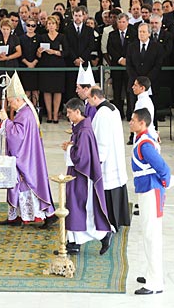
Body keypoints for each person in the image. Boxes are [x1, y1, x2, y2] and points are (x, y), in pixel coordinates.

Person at [0, 72, 57, 228]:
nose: (9, 105)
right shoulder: (24, 113)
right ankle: (16, 216)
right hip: (28, 155)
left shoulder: (25, 114)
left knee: (26, 184)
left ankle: (45, 215)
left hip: (26, 157)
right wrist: (8, 124)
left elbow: (18, 137)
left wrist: (6, 122)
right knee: (17, 184)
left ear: (18, 99)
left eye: (10, 102)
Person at [61, 98, 113, 255]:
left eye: (70, 113)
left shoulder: (83, 131)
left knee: (78, 207)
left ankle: (103, 235)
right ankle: (74, 243)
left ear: (78, 111)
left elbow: (81, 158)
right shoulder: (80, 127)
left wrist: (69, 148)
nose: (68, 115)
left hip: (82, 175)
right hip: (77, 174)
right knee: (75, 207)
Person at [129, 107, 171, 295]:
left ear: (142, 123)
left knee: (151, 235)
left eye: (133, 119)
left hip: (151, 190)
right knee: (148, 234)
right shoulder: (141, 138)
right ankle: (151, 273)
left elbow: (162, 167)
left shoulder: (144, 144)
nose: (130, 122)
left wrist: (164, 183)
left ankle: (155, 283)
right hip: (146, 189)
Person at [88, 87, 130, 229]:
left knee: (108, 187)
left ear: (95, 97)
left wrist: (98, 160)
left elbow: (101, 139)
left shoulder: (103, 113)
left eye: (89, 98)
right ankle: (118, 219)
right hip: (115, 154)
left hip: (108, 159)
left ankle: (109, 221)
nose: (88, 101)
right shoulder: (113, 108)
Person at [37, 15, 65, 123]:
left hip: (58, 66)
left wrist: (54, 52)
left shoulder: (62, 37)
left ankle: (55, 114)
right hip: (46, 65)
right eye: (49, 24)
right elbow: (38, 56)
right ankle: (49, 115)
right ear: (46, 26)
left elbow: (66, 52)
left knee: (58, 90)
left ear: (56, 25)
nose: (51, 26)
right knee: (47, 90)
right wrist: (39, 52)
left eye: (53, 23)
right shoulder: (43, 37)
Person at [19, 17, 40, 111]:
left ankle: (35, 109)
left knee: (35, 91)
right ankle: (27, 110)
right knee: (26, 91)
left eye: (33, 25)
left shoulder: (39, 37)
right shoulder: (21, 38)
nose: (30, 27)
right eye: (28, 25)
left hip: (36, 67)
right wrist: (27, 63)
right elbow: (20, 53)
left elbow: (41, 52)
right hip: (25, 67)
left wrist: (34, 62)